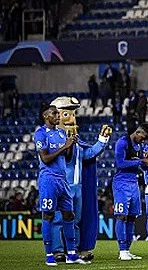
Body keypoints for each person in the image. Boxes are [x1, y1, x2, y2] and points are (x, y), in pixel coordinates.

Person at [49, 97, 111, 262]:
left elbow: (89, 154)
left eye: (73, 114)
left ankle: (73, 249)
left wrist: (102, 140)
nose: (72, 118)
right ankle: (57, 250)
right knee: (57, 219)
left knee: (75, 220)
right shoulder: (53, 139)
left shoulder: (77, 142)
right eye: (66, 114)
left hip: (77, 187)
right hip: (61, 185)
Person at [34, 105, 88, 266]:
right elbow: (45, 159)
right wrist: (65, 146)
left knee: (69, 215)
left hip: (63, 180)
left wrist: (71, 143)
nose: (58, 116)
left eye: (58, 113)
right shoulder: (40, 133)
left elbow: (67, 157)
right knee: (49, 215)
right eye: (54, 113)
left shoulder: (61, 133)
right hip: (48, 180)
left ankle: (71, 254)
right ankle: (49, 255)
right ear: (45, 116)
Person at [113, 122, 148, 260]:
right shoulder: (122, 142)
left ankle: (127, 250)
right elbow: (120, 164)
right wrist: (140, 161)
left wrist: (147, 162)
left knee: (131, 217)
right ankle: (122, 250)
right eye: (144, 137)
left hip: (133, 183)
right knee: (121, 215)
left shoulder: (140, 146)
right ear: (138, 132)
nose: (144, 140)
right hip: (121, 183)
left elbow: (141, 166)